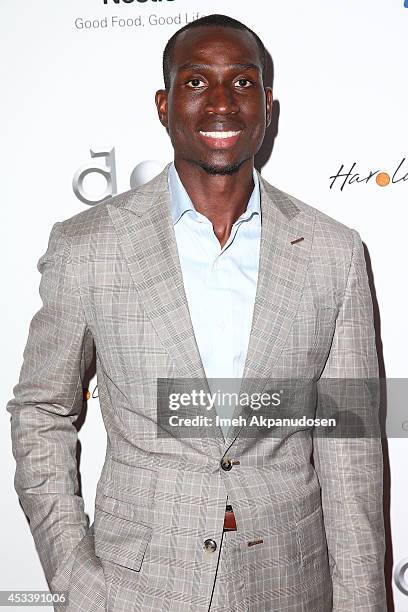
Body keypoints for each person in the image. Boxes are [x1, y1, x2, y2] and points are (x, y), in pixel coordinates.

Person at [7, 13, 386, 612]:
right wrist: (73, 574)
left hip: (288, 586)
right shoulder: (89, 246)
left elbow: (350, 444)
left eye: (242, 83)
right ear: (163, 104)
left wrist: (364, 602)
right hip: (134, 590)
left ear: (267, 105)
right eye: (195, 82)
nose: (220, 103)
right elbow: (40, 410)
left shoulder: (333, 252)